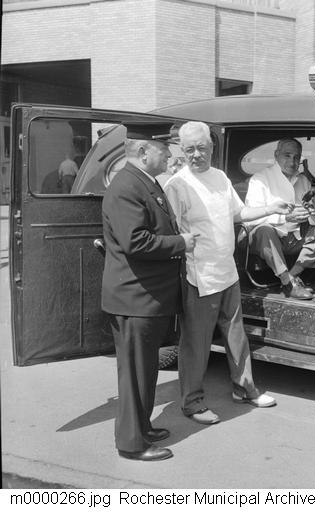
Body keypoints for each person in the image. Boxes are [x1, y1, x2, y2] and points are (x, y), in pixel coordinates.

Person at [164, 121, 289, 425]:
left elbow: (238, 213)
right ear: (181, 150)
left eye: (201, 148)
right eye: (189, 149)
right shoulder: (177, 185)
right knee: (196, 343)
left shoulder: (220, 177)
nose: (196, 154)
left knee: (236, 335)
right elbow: (172, 232)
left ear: (211, 147)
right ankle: (192, 403)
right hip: (198, 275)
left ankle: (244, 388)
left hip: (227, 270)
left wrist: (271, 208)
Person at [101, 122, 198, 461]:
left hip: (147, 298)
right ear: (143, 152)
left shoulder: (144, 182)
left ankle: (142, 426)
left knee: (145, 372)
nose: (170, 154)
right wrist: (180, 243)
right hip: (134, 299)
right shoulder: (127, 187)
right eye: (164, 149)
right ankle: (132, 444)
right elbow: (135, 242)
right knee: (134, 375)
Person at [244, 138, 315, 299]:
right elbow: (251, 219)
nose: (292, 162)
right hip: (268, 240)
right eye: (287, 155)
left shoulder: (303, 180)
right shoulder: (260, 179)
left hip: (295, 238)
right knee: (264, 230)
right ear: (276, 155)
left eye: (296, 157)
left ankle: (291, 276)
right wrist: (285, 218)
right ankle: (288, 282)